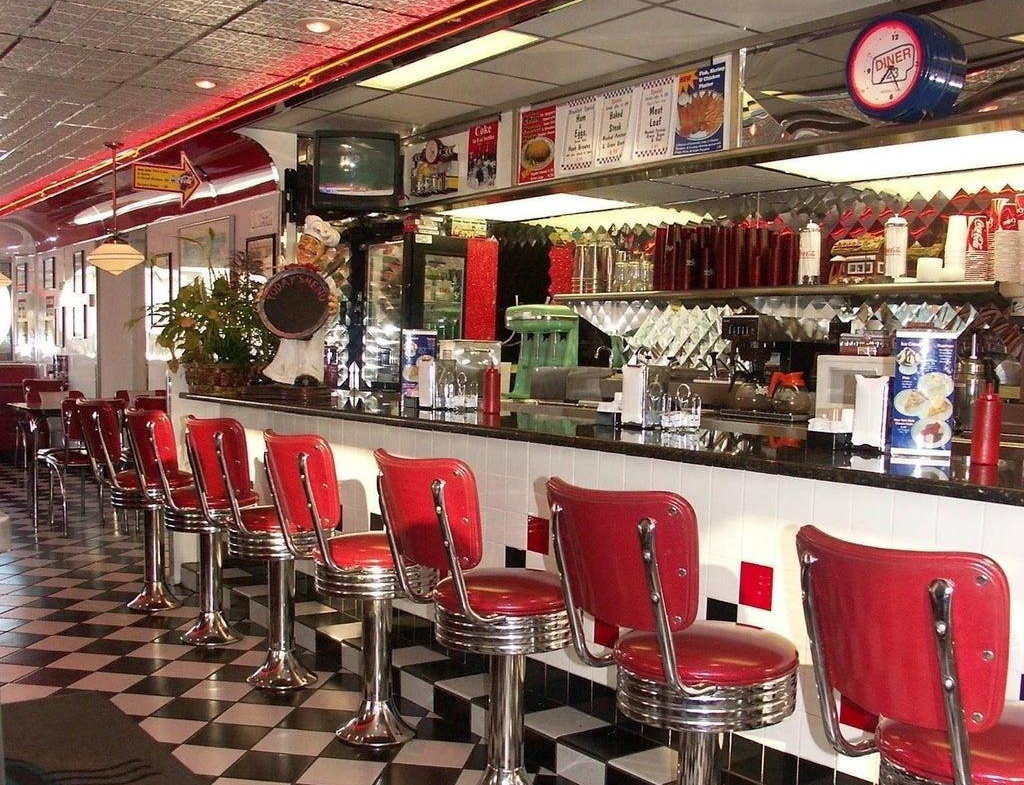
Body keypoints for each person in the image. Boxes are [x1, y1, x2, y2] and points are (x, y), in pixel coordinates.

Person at [262, 215, 341, 386]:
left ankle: (309, 372)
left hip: (311, 337)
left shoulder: (325, 281)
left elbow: (328, 318)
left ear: (323, 254)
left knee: (308, 355)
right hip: (289, 329)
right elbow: (273, 304)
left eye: (315, 245)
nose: (308, 248)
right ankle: (281, 371)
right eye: (305, 241)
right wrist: (265, 301)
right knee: (287, 350)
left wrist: (333, 311)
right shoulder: (286, 275)